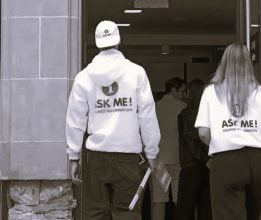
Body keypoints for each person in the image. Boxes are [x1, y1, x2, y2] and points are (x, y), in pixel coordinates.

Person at [66, 20, 160, 220]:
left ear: (97, 42)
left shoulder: (84, 77)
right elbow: (147, 115)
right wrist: (152, 151)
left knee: (95, 214)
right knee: (127, 213)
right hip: (128, 158)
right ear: (118, 41)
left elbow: (75, 119)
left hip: (97, 157)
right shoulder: (136, 73)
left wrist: (74, 155)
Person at [195, 43, 261, 220]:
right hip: (258, 160)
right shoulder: (259, 92)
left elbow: (202, 132)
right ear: (248, 63)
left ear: (224, 62)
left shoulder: (211, 92)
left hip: (226, 160)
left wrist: (217, 142)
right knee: (252, 215)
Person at [175, 79, 212, 220]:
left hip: (191, 164)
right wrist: (209, 159)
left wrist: (204, 159)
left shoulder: (185, 114)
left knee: (185, 207)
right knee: (206, 207)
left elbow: (190, 141)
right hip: (208, 165)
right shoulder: (209, 114)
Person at [151, 77, 187, 220]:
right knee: (180, 200)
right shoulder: (182, 107)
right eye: (182, 91)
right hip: (178, 159)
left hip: (159, 160)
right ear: (174, 90)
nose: (184, 95)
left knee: (159, 200)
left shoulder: (154, 107)